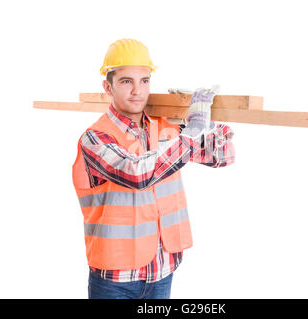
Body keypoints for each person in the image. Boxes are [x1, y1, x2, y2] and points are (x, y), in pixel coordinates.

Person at [71, 38, 235, 299]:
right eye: (126, 81)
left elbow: (221, 156)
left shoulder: (166, 128)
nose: (138, 91)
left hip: (162, 271)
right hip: (115, 281)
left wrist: (205, 121)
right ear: (107, 86)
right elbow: (137, 174)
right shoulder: (96, 138)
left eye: (144, 81)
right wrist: (191, 133)